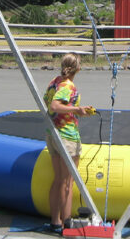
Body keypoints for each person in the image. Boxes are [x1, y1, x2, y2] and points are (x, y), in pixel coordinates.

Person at [43, 53, 94, 235]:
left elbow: (47, 101)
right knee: (67, 182)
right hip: (67, 136)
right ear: (77, 68)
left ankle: (55, 222)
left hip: (53, 134)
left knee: (58, 180)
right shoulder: (68, 86)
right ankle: (66, 224)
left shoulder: (54, 81)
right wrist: (77, 110)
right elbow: (54, 106)